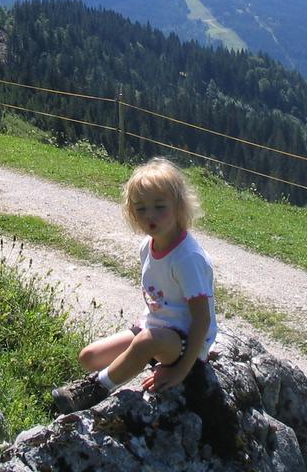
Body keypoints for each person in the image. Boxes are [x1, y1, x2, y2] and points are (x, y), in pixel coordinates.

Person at [52, 157, 217, 414]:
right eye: (141, 209)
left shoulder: (187, 258)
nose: (150, 216)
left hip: (185, 342)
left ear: (178, 207)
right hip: (156, 329)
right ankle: (130, 364)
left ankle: (96, 388)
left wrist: (182, 369)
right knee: (89, 357)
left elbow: (202, 318)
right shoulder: (147, 247)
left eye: (159, 207)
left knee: (144, 343)